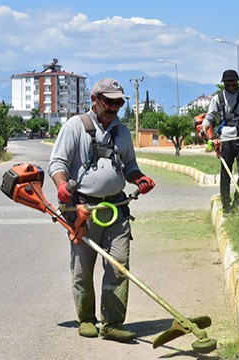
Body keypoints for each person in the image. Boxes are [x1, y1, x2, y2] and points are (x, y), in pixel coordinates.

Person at [48, 78, 155, 340]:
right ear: (94, 100)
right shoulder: (75, 127)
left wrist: (139, 178)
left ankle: (113, 323)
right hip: (82, 209)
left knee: (119, 264)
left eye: (119, 102)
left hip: (116, 207)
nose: (114, 107)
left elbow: (129, 165)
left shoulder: (122, 132)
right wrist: (62, 186)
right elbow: (57, 164)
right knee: (82, 268)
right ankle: (86, 318)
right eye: (109, 102)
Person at [200, 69, 239, 214]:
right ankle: (226, 205)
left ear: (237, 82)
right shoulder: (217, 99)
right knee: (226, 174)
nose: (231, 86)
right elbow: (210, 116)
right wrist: (204, 127)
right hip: (226, 139)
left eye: (233, 83)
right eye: (228, 84)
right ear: (224, 84)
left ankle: (238, 202)